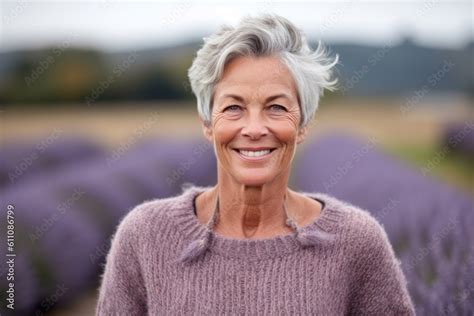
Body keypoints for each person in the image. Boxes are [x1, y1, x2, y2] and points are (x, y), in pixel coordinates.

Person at [96, 13, 415, 315]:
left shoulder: (356, 242)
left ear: (302, 124)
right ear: (208, 123)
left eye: (276, 107)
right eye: (233, 107)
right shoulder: (145, 235)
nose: (254, 128)